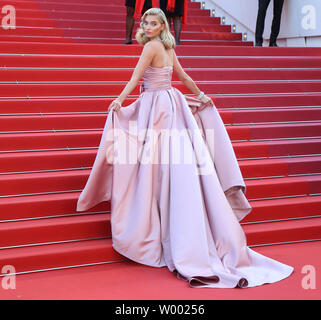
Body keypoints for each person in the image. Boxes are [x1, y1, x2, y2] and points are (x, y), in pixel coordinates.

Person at [77, 8, 294, 288]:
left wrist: (118, 100)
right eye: (146, 22)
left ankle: (151, 222)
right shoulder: (168, 46)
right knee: (173, 163)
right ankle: (172, 219)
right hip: (171, 104)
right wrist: (202, 96)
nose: (148, 26)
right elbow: (183, 77)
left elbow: (135, 78)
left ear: (162, 26)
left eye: (153, 23)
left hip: (156, 107)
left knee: (151, 164)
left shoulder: (153, 47)